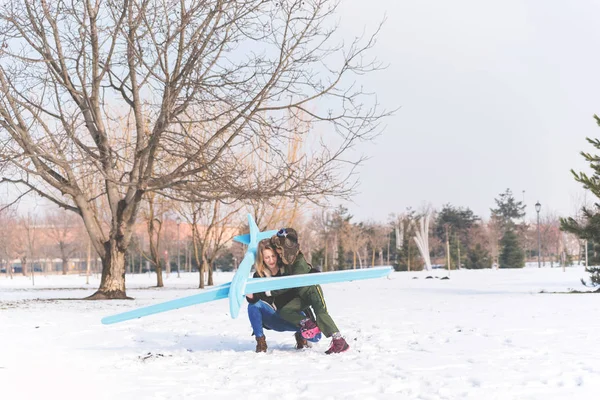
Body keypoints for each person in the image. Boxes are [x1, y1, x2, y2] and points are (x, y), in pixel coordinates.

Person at [269, 228, 350, 354]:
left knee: (321, 313)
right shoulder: (288, 262)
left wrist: (272, 292)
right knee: (285, 311)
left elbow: (291, 282)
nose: (278, 254)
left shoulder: (298, 262)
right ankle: (307, 323)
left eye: (280, 251)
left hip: (312, 291)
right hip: (301, 295)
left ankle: (339, 342)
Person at [246, 239, 321, 353]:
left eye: (273, 256)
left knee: (316, 337)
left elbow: (302, 289)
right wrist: (250, 296)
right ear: (262, 259)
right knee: (253, 306)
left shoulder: (288, 270)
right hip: (273, 317)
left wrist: (311, 273)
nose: (271, 260)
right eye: (267, 257)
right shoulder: (259, 275)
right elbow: (257, 299)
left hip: (292, 315)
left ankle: (301, 335)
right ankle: (261, 342)